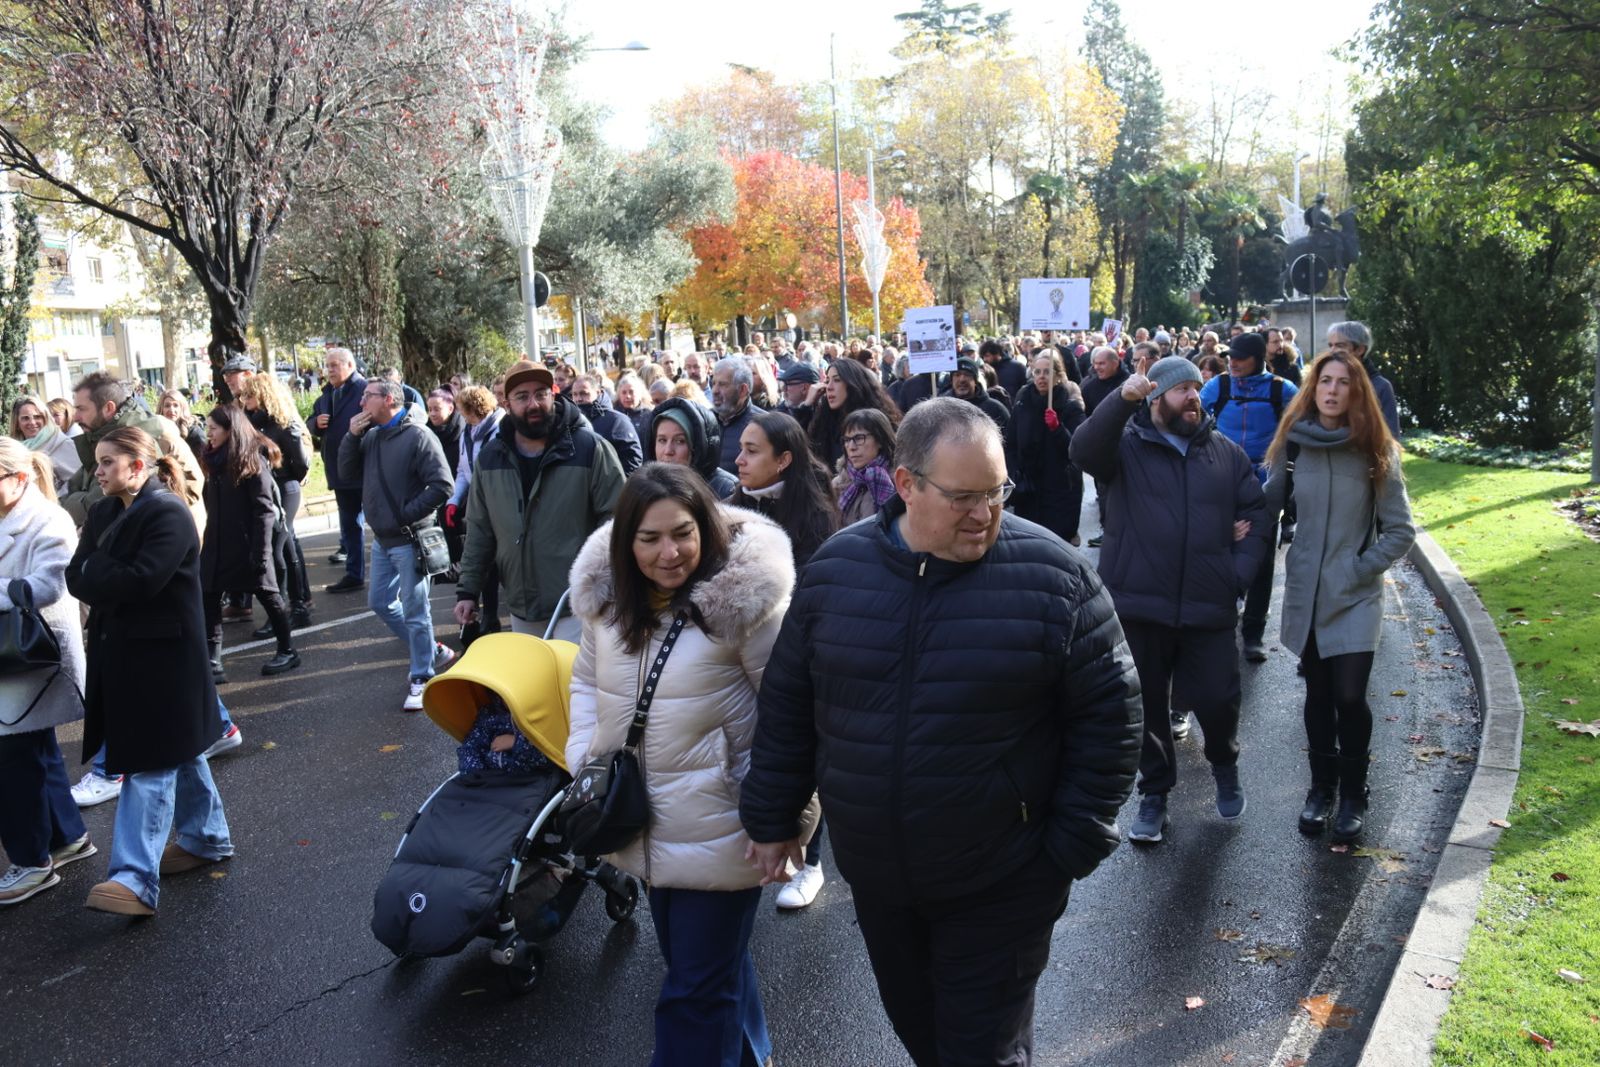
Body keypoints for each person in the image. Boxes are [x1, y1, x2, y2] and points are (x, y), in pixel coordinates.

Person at [740, 398, 1142, 1067]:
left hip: (1004, 881)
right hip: (879, 879)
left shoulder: (1056, 577)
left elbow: (1112, 718)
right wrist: (773, 814)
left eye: (996, 491)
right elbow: (790, 702)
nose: (984, 512)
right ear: (906, 485)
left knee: (976, 1049)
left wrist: (1068, 847)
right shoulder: (837, 572)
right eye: (963, 496)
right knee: (923, 1033)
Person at [567, 463, 809, 1067]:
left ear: (705, 528)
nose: (668, 553)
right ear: (626, 542)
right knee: (703, 967)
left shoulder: (746, 607)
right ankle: (753, 1056)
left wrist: (788, 817)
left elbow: (797, 713)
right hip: (643, 822)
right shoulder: (607, 603)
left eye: (682, 533)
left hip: (731, 825)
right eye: (648, 539)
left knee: (693, 994)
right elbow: (582, 684)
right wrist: (586, 758)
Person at [1070, 357, 1270, 845]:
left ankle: (1224, 763)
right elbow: (1082, 450)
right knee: (1147, 709)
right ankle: (1155, 794)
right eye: (1182, 389)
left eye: (1197, 390)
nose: (1194, 398)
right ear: (1156, 398)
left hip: (1210, 606)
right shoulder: (1123, 450)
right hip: (1139, 606)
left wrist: (1235, 576)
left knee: (1218, 699)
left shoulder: (1225, 455)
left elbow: (1257, 517)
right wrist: (1122, 398)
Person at [66, 427, 233, 916]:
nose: (97, 473)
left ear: (137, 467)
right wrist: (99, 573)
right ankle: (206, 838)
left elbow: (142, 582)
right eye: (97, 463)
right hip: (122, 653)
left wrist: (98, 572)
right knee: (178, 751)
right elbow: (76, 576)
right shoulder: (102, 511)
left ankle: (134, 878)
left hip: (166, 661)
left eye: (106, 463)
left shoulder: (169, 512)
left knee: (149, 761)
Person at [1263, 351, 1416, 843]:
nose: (1331, 390)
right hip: (1307, 591)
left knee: (1350, 696)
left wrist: (1359, 568)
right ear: (1312, 389)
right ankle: (1320, 790)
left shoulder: (1376, 450)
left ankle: (1354, 792)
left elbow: (1400, 531)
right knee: (1319, 694)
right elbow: (1266, 504)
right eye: (1323, 381)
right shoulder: (1294, 445)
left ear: (1356, 391)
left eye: (1342, 383)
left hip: (1355, 593)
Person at [453, 361, 624, 640]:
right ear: (506, 403)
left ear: (553, 395)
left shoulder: (589, 449)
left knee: (576, 684)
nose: (533, 404)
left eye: (541, 393)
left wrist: (602, 582)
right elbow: (480, 531)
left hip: (581, 607)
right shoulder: (490, 459)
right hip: (522, 610)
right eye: (522, 396)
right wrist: (468, 591)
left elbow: (617, 520)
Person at [0, 440, 95, 907]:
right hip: (14, 661)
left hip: (35, 658)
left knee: (12, 764)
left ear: (17, 479)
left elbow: (49, 585)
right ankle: (68, 838)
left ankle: (32, 863)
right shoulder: (7, 514)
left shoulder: (47, 519)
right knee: (36, 751)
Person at [338, 378, 454, 711]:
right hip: (383, 540)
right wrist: (351, 435)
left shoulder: (418, 435)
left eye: (367, 397)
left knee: (417, 611)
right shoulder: (372, 436)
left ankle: (422, 676)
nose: (362, 403)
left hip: (409, 539)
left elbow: (442, 485)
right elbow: (346, 473)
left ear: (388, 399)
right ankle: (432, 650)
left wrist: (407, 515)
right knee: (381, 602)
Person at [1199, 330, 1299, 662]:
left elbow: (1305, 426)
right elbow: (1192, 418)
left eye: (1240, 357)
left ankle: (1253, 633)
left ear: (1257, 359)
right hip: (1222, 483)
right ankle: (1222, 624)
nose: (1233, 362)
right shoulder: (1219, 386)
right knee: (1218, 552)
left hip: (1264, 487)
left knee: (1261, 561)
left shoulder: (1281, 390)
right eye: (1231, 357)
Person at [200, 405, 301, 680]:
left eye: (213, 428)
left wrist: (262, 552)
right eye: (207, 428)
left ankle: (287, 650)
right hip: (217, 542)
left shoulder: (251, 461)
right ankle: (213, 660)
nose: (208, 434)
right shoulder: (214, 460)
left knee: (268, 594)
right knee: (208, 594)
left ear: (231, 430)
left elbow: (264, 510)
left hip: (248, 543)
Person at [60, 372, 204, 528]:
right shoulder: (99, 436)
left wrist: (70, 502)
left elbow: (95, 506)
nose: (75, 417)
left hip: (167, 536)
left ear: (108, 408)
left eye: (81, 409)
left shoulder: (141, 438)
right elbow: (74, 489)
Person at [236, 375, 315, 632]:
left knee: (277, 546)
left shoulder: (284, 423)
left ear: (263, 395)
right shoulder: (251, 422)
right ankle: (298, 604)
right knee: (286, 546)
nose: (244, 399)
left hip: (284, 488)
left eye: (249, 395)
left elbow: (301, 462)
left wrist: (287, 477)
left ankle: (283, 609)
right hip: (266, 489)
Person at [1006, 348, 1087, 546]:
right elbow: (1011, 444)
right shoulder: (1022, 404)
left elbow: (1078, 450)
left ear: (1058, 376)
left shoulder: (1070, 407)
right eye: (1037, 372)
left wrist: (1058, 428)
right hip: (1029, 490)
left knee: (1055, 545)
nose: (1041, 377)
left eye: (1047, 372)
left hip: (1059, 491)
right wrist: (1014, 473)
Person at [445, 386, 505, 641]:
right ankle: (486, 615)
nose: (461, 416)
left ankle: (495, 613)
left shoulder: (501, 429)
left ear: (473, 409)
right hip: (478, 505)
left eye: (463, 411)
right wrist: (454, 500)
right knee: (482, 560)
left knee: (497, 563)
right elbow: (463, 471)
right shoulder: (468, 433)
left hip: (499, 504)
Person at [311, 347, 367, 592]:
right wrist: (315, 423)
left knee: (386, 522)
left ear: (350, 365)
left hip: (365, 467)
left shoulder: (365, 389)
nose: (330, 370)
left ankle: (400, 571)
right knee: (350, 524)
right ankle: (354, 574)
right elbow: (310, 421)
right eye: (328, 365)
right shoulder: (326, 394)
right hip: (339, 470)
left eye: (335, 365)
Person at [806, 357, 901, 472]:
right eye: (827, 381)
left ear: (852, 383)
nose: (829, 387)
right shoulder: (824, 418)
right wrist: (806, 405)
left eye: (837, 380)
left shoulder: (874, 420)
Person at [649, 396, 738, 499]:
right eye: (662, 440)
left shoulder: (724, 488)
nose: (668, 451)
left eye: (680, 441)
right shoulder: (645, 486)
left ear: (697, 446)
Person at [1326, 321, 1400, 438]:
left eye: (1340, 346)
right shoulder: (1323, 383)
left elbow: (1391, 436)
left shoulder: (1380, 387)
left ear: (1360, 350)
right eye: (1330, 345)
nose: (1332, 351)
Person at [833, 408, 897, 526]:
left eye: (859, 438)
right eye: (847, 440)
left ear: (880, 440)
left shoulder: (899, 481)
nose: (851, 447)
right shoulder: (838, 485)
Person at [569, 374, 643, 475]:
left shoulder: (617, 420)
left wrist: (619, 487)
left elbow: (632, 459)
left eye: (584, 393)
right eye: (575, 394)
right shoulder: (569, 420)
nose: (578, 399)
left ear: (598, 392)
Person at [10, 395, 81, 493]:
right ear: (17, 424)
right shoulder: (14, 451)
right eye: (25, 418)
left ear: (45, 418)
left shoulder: (61, 443)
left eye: (37, 417)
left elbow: (79, 481)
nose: (32, 422)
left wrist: (56, 499)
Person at [710, 356, 758, 475]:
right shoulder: (705, 420)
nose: (715, 391)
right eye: (714, 383)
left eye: (723, 384)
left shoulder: (762, 424)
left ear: (742, 390)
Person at [942, 356, 1010, 430]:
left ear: (975, 381)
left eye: (967, 375)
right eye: (957, 375)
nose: (962, 380)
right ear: (951, 380)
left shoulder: (995, 409)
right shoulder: (941, 409)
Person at [156, 390, 207, 467]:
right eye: (167, 405)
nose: (171, 410)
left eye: (175, 405)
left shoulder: (194, 433)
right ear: (161, 409)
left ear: (182, 408)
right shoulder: (156, 432)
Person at [613, 372, 654, 440]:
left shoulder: (649, 415)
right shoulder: (614, 414)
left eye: (631, 392)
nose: (628, 396)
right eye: (624, 393)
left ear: (640, 394)